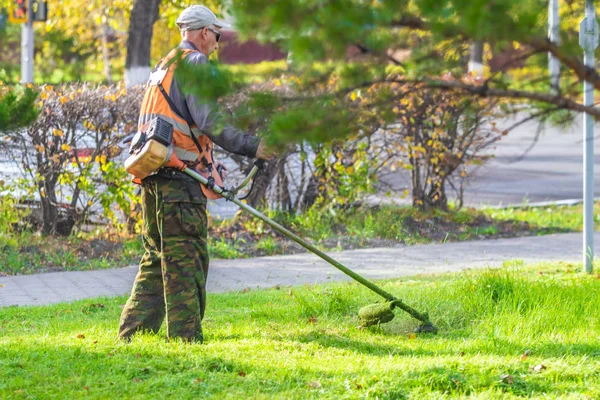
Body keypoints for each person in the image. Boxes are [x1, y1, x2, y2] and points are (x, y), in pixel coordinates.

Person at [118, 5, 274, 343]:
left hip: (155, 175)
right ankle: (186, 339)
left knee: (157, 257)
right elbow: (210, 121)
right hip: (179, 182)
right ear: (204, 32)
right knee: (186, 259)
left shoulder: (164, 65)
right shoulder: (195, 63)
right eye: (217, 35)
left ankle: (133, 333)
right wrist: (253, 146)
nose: (217, 43)